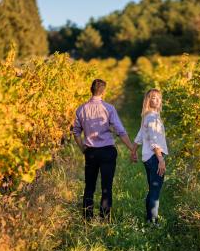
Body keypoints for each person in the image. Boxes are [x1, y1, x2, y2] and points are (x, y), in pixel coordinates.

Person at [72, 79, 134, 220]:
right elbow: (120, 131)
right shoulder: (109, 108)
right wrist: (131, 148)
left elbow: (76, 132)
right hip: (107, 151)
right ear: (103, 91)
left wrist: (83, 148)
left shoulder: (81, 109)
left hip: (91, 152)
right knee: (106, 186)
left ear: (90, 89)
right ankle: (104, 218)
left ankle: (87, 218)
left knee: (89, 186)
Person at [131, 88, 168, 224]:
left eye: (159, 98)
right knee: (155, 191)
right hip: (154, 157)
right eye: (153, 98)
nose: (157, 100)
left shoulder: (148, 116)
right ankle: (153, 222)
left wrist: (133, 152)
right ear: (148, 100)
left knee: (152, 189)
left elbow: (139, 137)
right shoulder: (152, 118)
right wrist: (161, 159)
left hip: (148, 158)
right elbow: (154, 141)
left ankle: (149, 219)